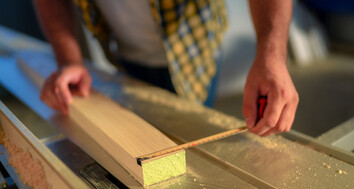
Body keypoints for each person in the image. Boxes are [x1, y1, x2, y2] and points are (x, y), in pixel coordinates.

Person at [33, 0, 299, 137]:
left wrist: (272, 54)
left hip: (193, 51)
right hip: (122, 51)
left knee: (190, 144)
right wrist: (69, 59)